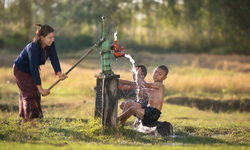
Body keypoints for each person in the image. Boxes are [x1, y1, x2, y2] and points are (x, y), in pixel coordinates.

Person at [13, 23, 68, 127]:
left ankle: (25, 122)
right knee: (31, 93)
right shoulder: (33, 47)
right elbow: (34, 69)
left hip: (30, 70)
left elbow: (54, 58)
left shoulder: (51, 45)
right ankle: (31, 123)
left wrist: (59, 73)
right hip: (20, 70)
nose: (52, 39)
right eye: (50, 37)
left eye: (53, 37)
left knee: (32, 93)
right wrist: (40, 89)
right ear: (42, 38)